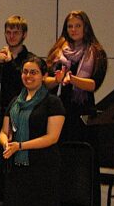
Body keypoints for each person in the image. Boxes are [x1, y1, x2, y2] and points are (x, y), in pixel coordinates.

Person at [0, 55, 65, 206]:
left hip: (42, 169)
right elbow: (3, 130)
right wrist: (6, 142)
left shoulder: (52, 103)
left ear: (42, 75)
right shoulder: (15, 101)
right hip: (18, 168)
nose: (28, 76)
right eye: (25, 72)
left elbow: (52, 137)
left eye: (33, 72)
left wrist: (21, 146)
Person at [45, 10, 107, 143]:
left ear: (86, 27)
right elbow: (45, 81)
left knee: (82, 154)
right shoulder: (57, 51)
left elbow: (93, 84)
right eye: (70, 26)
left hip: (83, 111)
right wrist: (57, 79)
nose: (73, 29)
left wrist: (72, 79)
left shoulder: (96, 52)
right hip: (58, 109)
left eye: (78, 26)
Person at [0, 15, 31, 113]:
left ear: (24, 34)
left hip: (23, 110)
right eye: (8, 32)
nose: (11, 36)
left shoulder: (30, 60)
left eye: (16, 33)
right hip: (1, 111)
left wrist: (9, 62)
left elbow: (24, 84)